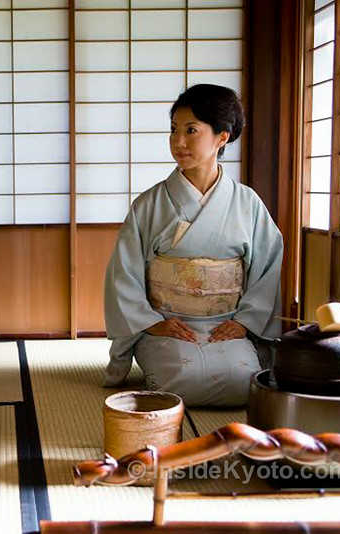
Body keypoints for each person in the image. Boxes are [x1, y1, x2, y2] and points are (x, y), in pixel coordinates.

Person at [103, 84, 282, 406]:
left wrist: (244, 322)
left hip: (227, 323)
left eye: (191, 130)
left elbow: (267, 268)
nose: (178, 142)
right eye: (173, 130)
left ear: (222, 137)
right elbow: (124, 272)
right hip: (166, 324)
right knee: (180, 384)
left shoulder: (247, 203)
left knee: (246, 384)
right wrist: (153, 322)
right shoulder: (149, 204)